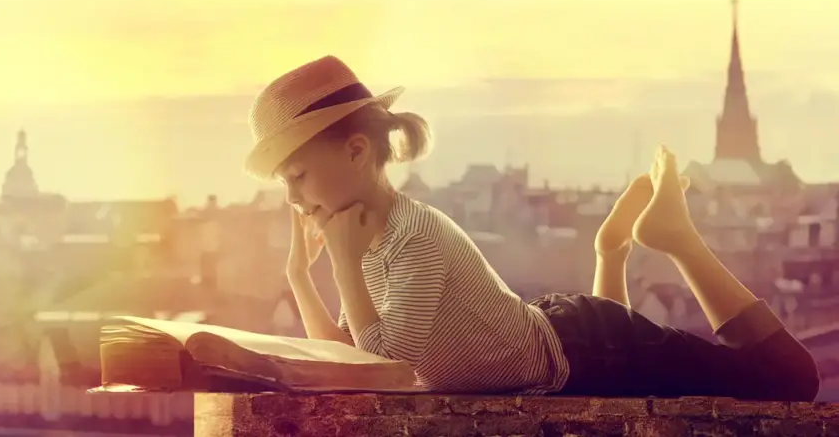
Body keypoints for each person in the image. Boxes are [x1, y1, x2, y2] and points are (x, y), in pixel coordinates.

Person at [244, 55, 820, 401]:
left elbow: (384, 369)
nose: (292, 196)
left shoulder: (411, 236)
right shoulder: (368, 243)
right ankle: (611, 252)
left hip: (583, 345)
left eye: (296, 174)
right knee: (620, 377)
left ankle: (676, 239)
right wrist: (301, 274)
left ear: (354, 151)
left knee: (786, 380)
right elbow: (344, 356)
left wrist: (341, 263)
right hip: (565, 348)